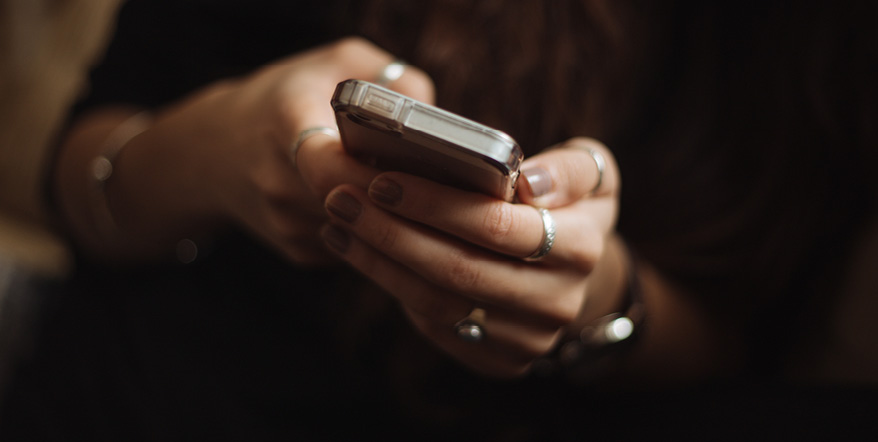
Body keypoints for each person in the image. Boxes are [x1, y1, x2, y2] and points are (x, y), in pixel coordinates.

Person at [2, 0, 877, 440]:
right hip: (146, 397)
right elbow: (76, 182)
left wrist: (598, 298)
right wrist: (225, 144)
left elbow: (761, 348)